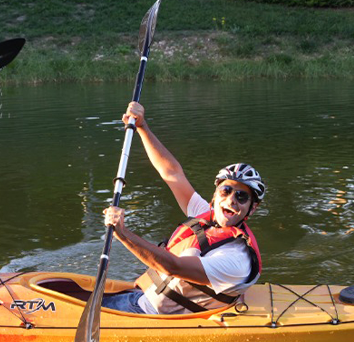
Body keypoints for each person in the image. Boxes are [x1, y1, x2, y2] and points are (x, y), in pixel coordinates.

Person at [100, 101, 264, 315]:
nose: (231, 200)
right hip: (141, 297)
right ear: (215, 195)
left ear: (252, 208)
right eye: (226, 191)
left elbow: (173, 267)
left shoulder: (236, 258)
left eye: (242, 196)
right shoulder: (205, 215)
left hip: (152, 317)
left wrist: (122, 233)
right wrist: (142, 127)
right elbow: (172, 173)